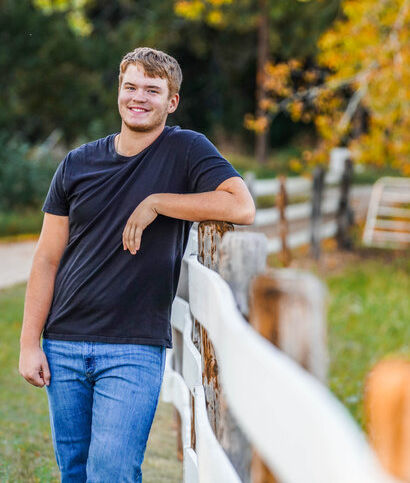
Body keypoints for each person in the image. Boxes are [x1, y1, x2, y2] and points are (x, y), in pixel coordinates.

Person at [18, 47, 255, 482]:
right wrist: (30, 342)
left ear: (172, 101)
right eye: (130, 86)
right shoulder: (77, 164)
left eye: (152, 89)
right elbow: (47, 257)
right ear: (119, 93)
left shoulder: (184, 150)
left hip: (133, 346)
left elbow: (240, 205)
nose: (138, 97)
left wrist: (158, 203)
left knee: (112, 472)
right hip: (65, 341)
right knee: (74, 472)